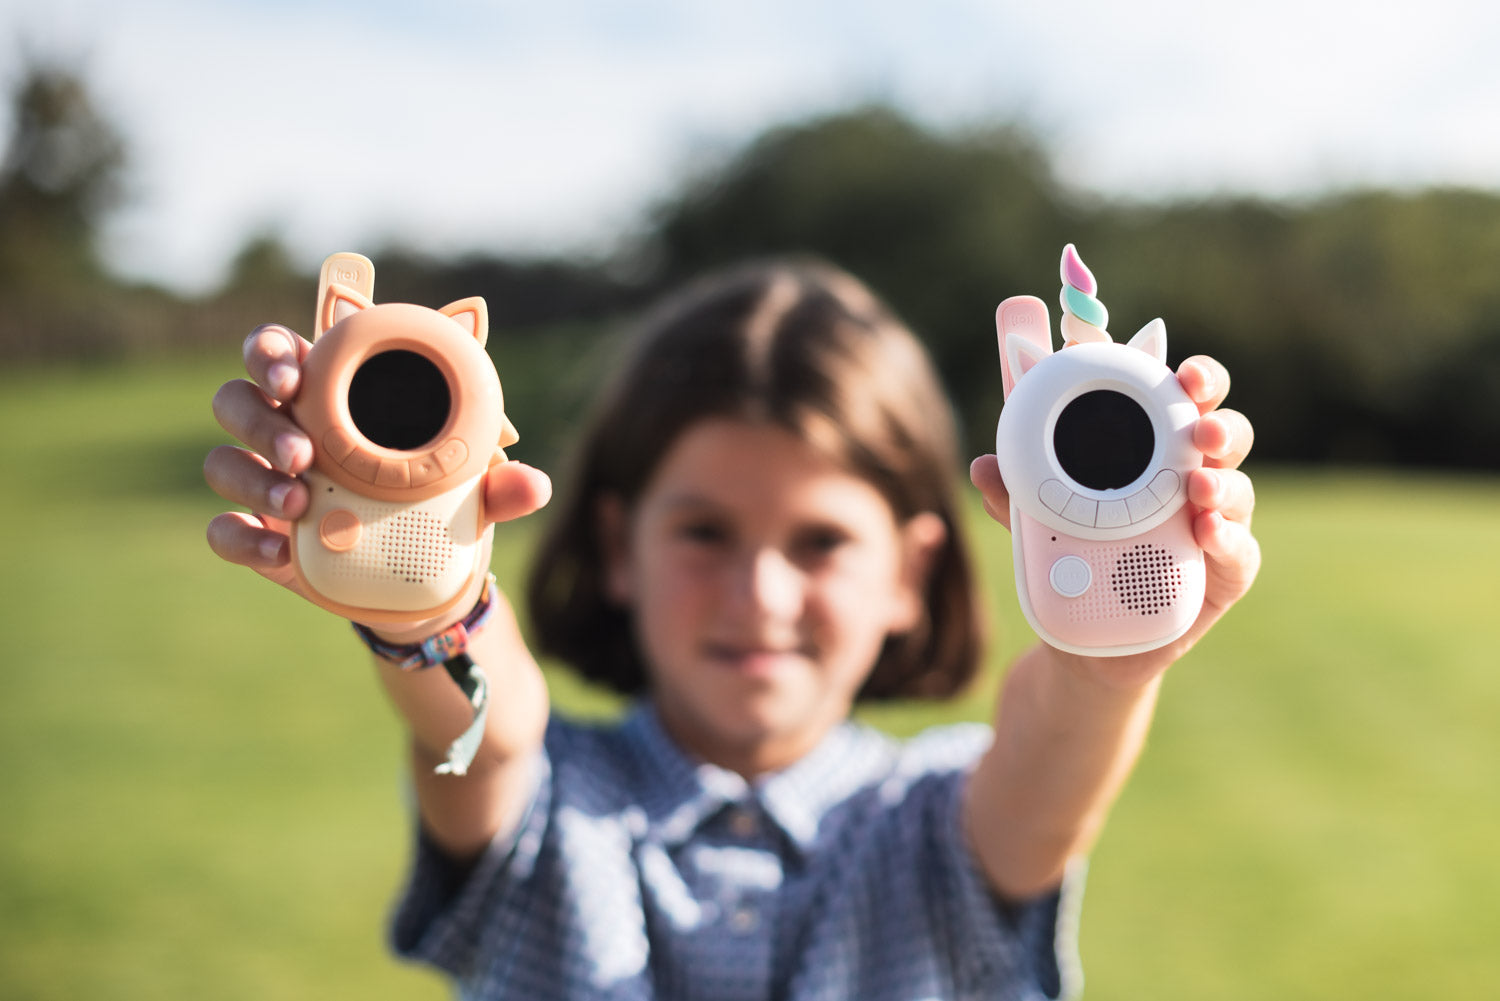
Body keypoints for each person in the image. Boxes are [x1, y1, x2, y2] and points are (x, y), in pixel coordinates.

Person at [204, 257, 1259, 1000]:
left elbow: (1049, 752)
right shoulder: (550, 813)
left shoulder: (939, 833)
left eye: (820, 542)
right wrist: (425, 603)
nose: (760, 591)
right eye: (705, 530)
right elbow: (488, 726)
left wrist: (1110, 653)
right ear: (619, 547)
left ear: (912, 573)